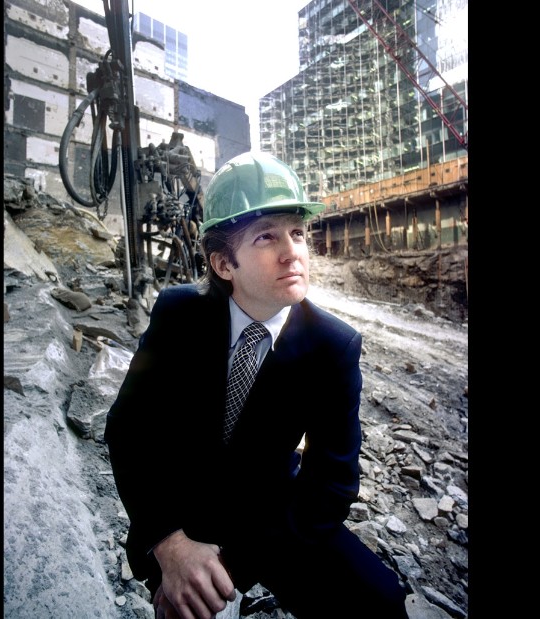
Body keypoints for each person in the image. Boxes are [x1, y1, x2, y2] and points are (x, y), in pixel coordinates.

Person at [104, 152, 409, 619]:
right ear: (225, 264)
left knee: (381, 602)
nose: (292, 252)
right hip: (184, 502)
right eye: (267, 237)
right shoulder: (179, 313)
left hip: (273, 512)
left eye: (297, 233)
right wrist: (170, 545)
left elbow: (333, 482)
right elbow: (128, 430)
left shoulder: (334, 346)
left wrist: (228, 568)